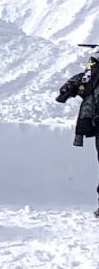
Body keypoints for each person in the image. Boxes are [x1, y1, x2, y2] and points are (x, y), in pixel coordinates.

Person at [56, 49, 99, 216]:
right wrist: (70, 88)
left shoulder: (90, 75)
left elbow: (82, 82)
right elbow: (83, 83)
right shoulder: (91, 74)